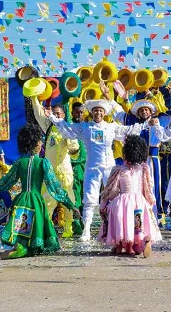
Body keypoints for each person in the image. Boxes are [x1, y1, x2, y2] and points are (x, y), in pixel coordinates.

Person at [48, 95, 147, 241]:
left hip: (109, 168)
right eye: (95, 111)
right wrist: (52, 117)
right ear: (91, 112)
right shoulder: (85, 127)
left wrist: (145, 124)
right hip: (92, 168)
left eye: (100, 111)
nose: (98, 113)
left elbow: (129, 130)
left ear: (104, 113)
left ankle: (115, 228)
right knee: (90, 198)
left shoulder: (111, 127)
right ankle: (86, 230)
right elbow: (67, 129)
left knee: (113, 197)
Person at [0, 124, 80, 259]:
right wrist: (71, 205)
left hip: (22, 198)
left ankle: (20, 247)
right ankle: (24, 249)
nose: (41, 144)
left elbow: (5, 182)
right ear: (35, 145)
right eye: (39, 142)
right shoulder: (43, 163)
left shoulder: (19, 162)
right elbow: (54, 187)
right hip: (36, 200)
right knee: (35, 225)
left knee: (22, 225)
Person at [98, 135, 161, 257]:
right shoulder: (143, 169)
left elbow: (112, 190)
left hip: (123, 202)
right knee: (138, 226)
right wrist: (150, 201)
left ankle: (121, 246)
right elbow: (148, 187)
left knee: (122, 223)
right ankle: (143, 242)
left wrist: (104, 204)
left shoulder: (119, 169)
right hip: (139, 201)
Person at [113, 98, 170, 226]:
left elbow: (168, 126)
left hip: (152, 161)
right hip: (138, 162)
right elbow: (118, 113)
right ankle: (139, 218)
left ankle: (155, 217)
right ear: (138, 113)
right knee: (138, 187)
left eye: (146, 110)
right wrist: (108, 97)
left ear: (150, 112)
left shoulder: (158, 122)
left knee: (153, 187)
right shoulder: (135, 126)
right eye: (142, 110)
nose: (144, 112)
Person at [31, 97, 79, 238]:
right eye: (55, 113)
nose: (57, 116)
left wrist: (70, 143)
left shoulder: (69, 129)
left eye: (59, 114)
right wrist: (34, 97)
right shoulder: (48, 127)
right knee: (47, 200)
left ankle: (68, 228)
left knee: (68, 199)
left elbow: (74, 148)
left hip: (65, 172)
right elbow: (39, 113)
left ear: (63, 115)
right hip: (50, 171)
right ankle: (48, 229)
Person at [69, 102, 87, 235]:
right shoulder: (68, 128)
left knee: (85, 195)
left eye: (81, 112)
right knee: (75, 194)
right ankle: (76, 222)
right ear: (72, 112)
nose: (79, 115)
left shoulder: (88, 127)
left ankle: (85, 221)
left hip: (86, 165)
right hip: (73, 166)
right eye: (77, 112)